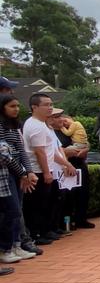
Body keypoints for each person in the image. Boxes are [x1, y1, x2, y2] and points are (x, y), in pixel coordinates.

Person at [23, 94, 76, 242]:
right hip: (38, 171)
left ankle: (45, 230)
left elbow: (51, 152)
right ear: (34, 107)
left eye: (51, 104)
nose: (50, 108)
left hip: (47, 169)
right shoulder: (34, 125)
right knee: (37, 205)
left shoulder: (42, 125)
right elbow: (39, 152)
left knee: (47, 203)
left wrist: (66, 164)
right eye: (46, 105)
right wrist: (46, 172)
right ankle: (36, 234)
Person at [0, 94, 38, 265]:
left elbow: (22, 150)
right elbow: (4, 154)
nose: (16, 109)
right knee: (12, 210)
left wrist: (28, 171)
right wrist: (22, 173)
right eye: (11, 106)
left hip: (19, 174)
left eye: (17, 106)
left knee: (17, 211)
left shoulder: (15, 126)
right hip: (6, 174)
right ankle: (5, 248)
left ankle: (16, 245)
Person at [50, 110, 95, 229]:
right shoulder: (51, 133)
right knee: (67, 197)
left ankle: (81, 219)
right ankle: (66, 223)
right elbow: (52, 151)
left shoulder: (68, 130)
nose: (61, 120)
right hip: (64, 167)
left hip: (79, 164)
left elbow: (84, 142)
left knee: (83, 193)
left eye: (61, 117)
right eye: (57, 117)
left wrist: (86, 148)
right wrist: (66, 152)